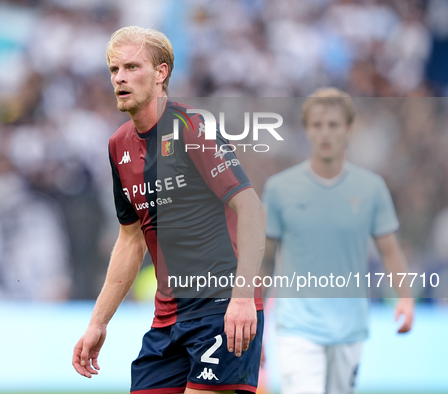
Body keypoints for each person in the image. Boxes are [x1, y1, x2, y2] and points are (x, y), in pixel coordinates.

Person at [72, 26, 266, 394]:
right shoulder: (118, 146)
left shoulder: (193, 127)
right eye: (114, 70)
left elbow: (251, 210)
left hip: (220, 310)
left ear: (161, 73)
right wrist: (99, 322)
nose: (120, 78)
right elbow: (131, 239)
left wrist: (242, 298)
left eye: (132, 67)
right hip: (168, 319)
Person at [260, 88, 415, 394]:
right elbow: (264, 258)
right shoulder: (280, 189)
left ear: (349, 129)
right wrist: (254, 311)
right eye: (317, 125)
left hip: (350, 326)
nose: (325, 133)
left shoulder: (371, 188)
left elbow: (390, 250)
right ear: (307, 130)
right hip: (296, 327)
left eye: (333, 124)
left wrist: (406, 298)